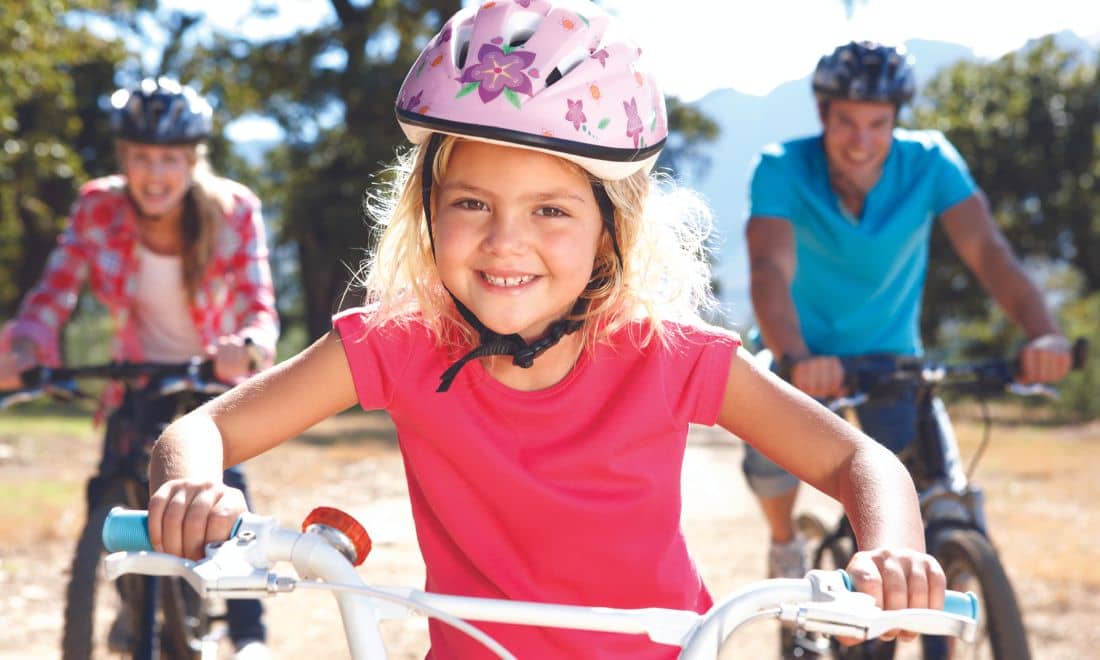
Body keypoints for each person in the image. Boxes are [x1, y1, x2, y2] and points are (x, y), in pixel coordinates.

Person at [145, 6, 944, 659]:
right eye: (469, 204)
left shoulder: (667, 355)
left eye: (551, 211)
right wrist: (191, 483)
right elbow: (201, 429)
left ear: (611, 229)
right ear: (427, 212)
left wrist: (891, 546)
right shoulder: (401, 341)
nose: (504, 242)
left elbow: (854, 456)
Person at [742, 38, 1072, 603]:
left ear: (897, 119)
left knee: (942, 490)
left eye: (879, 123)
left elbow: (989, 254)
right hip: (802, 354)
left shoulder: (931, 162)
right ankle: (782, 539)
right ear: (823, 115)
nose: (862, 141)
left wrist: (1042, 333)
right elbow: (769, 270)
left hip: (891, 356)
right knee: (767, 457)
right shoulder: (782, 167)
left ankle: (958, 566)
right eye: (846, 122)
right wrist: (796, 358)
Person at [0, 77, 277, 659]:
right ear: (124, 159)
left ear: (193, 160)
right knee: (109, 492)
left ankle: (248, 633)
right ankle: (130, 606)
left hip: (207, 380)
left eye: (170, 159)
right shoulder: (98, 206)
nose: (155, 175)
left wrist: (246, 345)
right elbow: (55, 291)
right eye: (142, 158)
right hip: (134, 377)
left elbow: (259, 305)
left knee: (227, 491)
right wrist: (25, 345)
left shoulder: (234, 210)